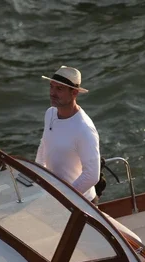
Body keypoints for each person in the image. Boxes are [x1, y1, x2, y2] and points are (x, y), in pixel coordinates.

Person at [35, 66, 101, 204]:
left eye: (59, 89)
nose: (52, 93)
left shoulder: (84, 129)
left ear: (74, 93)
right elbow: (44, 144)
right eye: (51, 87)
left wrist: (65, 197)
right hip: (56, 196)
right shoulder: (50, 113)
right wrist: (38, 177)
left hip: (81, 203)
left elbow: (92, 175)